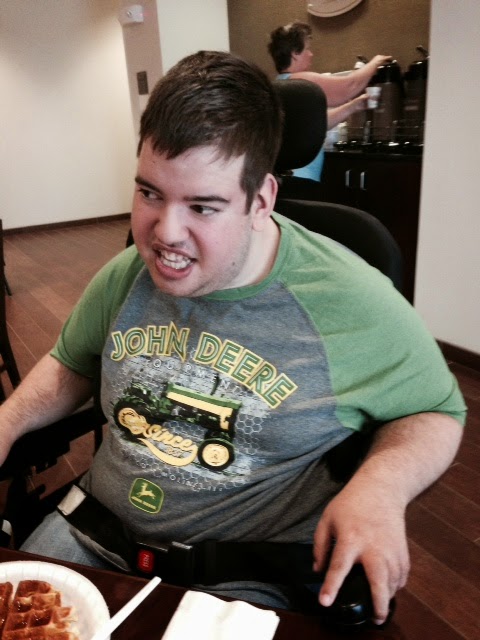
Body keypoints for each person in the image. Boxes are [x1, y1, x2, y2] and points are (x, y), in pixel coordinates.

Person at [0, 50, 465, 627]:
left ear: (260, 199)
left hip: (242, 577)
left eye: (202, 206)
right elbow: (72, 361)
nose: (165, 234)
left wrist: (381, 487)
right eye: (150, 193)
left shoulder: (350, 299)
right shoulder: (125, 277)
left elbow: (437, 409)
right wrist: (7, 421)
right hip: (93, 537)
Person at [268, 21, 391, 180]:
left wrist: (353, 106)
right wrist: (375, 62)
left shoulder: (280, 84)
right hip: (300, 177)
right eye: (307, 49)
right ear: (294, 54)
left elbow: (318, 125)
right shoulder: (300, 82)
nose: (311, 54)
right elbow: (349, 86)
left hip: (290, 177)